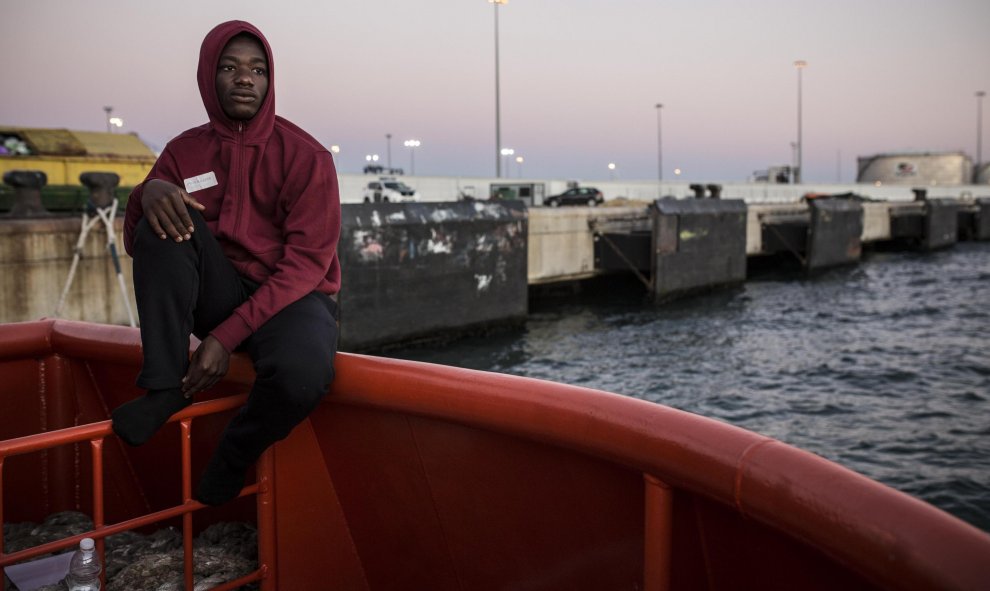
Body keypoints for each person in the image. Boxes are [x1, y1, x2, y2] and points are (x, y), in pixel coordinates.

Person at [111, 20, 341, 506]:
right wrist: (145, 194)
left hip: (290, 298)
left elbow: (305, 267)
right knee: (163, 212)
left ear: (269, 80)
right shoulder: (184, 151)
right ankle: (162, 387)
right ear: (207, 76)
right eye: (230, 67)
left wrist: (223, 338)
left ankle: (234, 455)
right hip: (219, 289)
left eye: (258, 70)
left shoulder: (307, 156)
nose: (245, 79)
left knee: (304, 374)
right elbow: (141, 246)